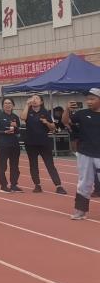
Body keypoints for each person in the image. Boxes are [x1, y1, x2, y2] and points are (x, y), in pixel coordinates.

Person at [20, 94, 67, 194]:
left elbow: (53, 128)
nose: (34, 100)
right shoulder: (28, 111)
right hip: (30, 143)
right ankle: (37, 185)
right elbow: (22, 118)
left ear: (41, 102)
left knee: (50, 164)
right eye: (32, 98)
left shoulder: (46, 112)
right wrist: (27, 105)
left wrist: (46, 122)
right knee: (33, 165)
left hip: (44, 143)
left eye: (37, 98)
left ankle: (58, 186)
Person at [69, 89, 100, 220]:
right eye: (88, 99)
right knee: (84, 182)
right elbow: (66, 122)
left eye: (92, 99)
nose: (89, 101)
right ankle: (80, 210)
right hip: (85, 153)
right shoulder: (82, 114)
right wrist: (67, 110)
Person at [0, 98, 23, 192]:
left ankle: (14, 185)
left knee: (15, 166)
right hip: (3, 145)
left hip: (14, 145)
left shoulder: (15, 117)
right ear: (3, 105)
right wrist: (4, 132)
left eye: (9, 103)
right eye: (5, 103)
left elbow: (18, 131)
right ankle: (3, 186)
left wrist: (16, 126)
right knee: (2, 166)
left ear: (13, 105)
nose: (7, 105)